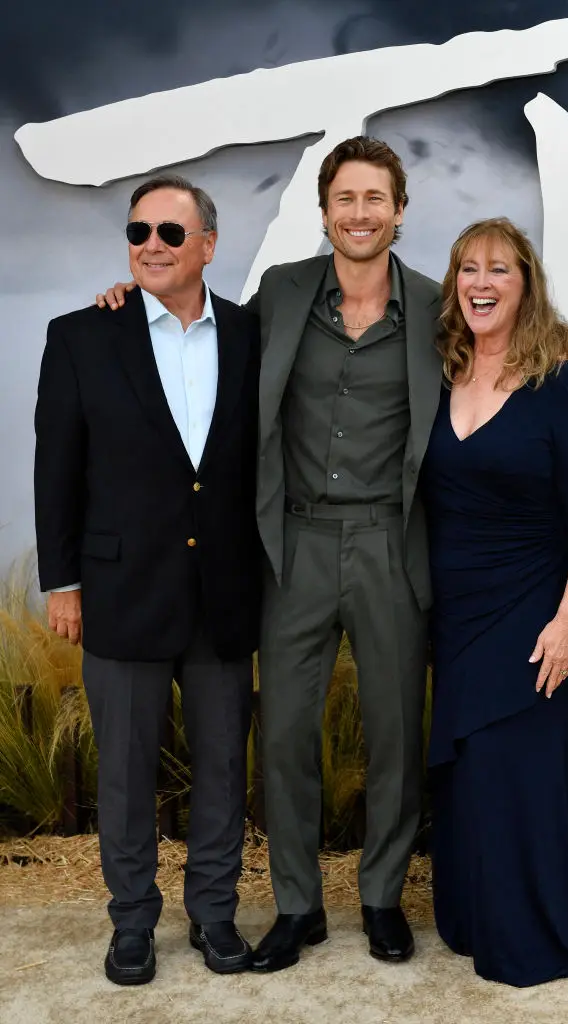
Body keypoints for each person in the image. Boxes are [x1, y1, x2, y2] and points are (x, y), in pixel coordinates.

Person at [97, 136, 444, 971]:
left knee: (395, 729)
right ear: (323, 212)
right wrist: (125, 300)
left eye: (374, 198)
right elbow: (192, 325)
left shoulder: (435, 308)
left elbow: (506, 348)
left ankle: (379, 898)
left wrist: (559, 356)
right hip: (291, 543)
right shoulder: (280, 295)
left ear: (399, 210)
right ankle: (296, 906)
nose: (358, 214)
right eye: (344, 199)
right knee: (284, 733)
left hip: (387, 542)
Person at [35, 175, 261, 984]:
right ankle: (131, 923)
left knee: (224, 769)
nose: (151, 247)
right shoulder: (80, 336)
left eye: (171, 233)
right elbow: (56, 468)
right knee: (125, 773)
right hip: (120, 590)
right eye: (137, 233)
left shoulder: (252, 334)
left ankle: (215, 916)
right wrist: (61, 582)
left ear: (207, 244)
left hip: (224, 592)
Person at [420, 217, 568, 986]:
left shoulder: (558, 381)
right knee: (472, 771)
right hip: (456, 611)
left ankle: (532, 928)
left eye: (499, 270)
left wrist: (566, 623)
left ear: (525, 286)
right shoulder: (440, 369)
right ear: (453, 285)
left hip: (534, 608)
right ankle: (476, 917)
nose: (480, 283)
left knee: (522, 770)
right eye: (467, 269)